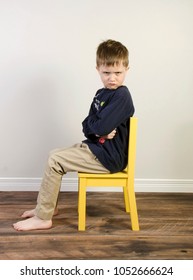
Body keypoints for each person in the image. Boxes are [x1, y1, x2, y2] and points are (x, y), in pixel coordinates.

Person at [13, 39, 135, 231]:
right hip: (96, 148)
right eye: (106, 73)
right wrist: (97, 130)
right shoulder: (100, 94)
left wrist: (98, 129)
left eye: (118, 73)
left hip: (108, 157)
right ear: (98, 69)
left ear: (127, 69)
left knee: (55, 160)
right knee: (54, 154)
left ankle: (43, 217)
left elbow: (99, 126)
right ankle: (47, 209)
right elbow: (86, 126)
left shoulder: (122, 96)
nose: (112, 78)